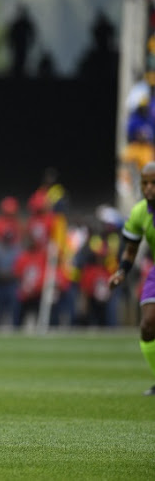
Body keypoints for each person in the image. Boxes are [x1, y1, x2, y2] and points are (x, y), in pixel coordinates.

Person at [109, 161, 155, 395]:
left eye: (153, 183)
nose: (149, 188)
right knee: (147, 325)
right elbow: (130, 249)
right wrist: (121, 272)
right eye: (145, 183)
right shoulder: (139, 212)